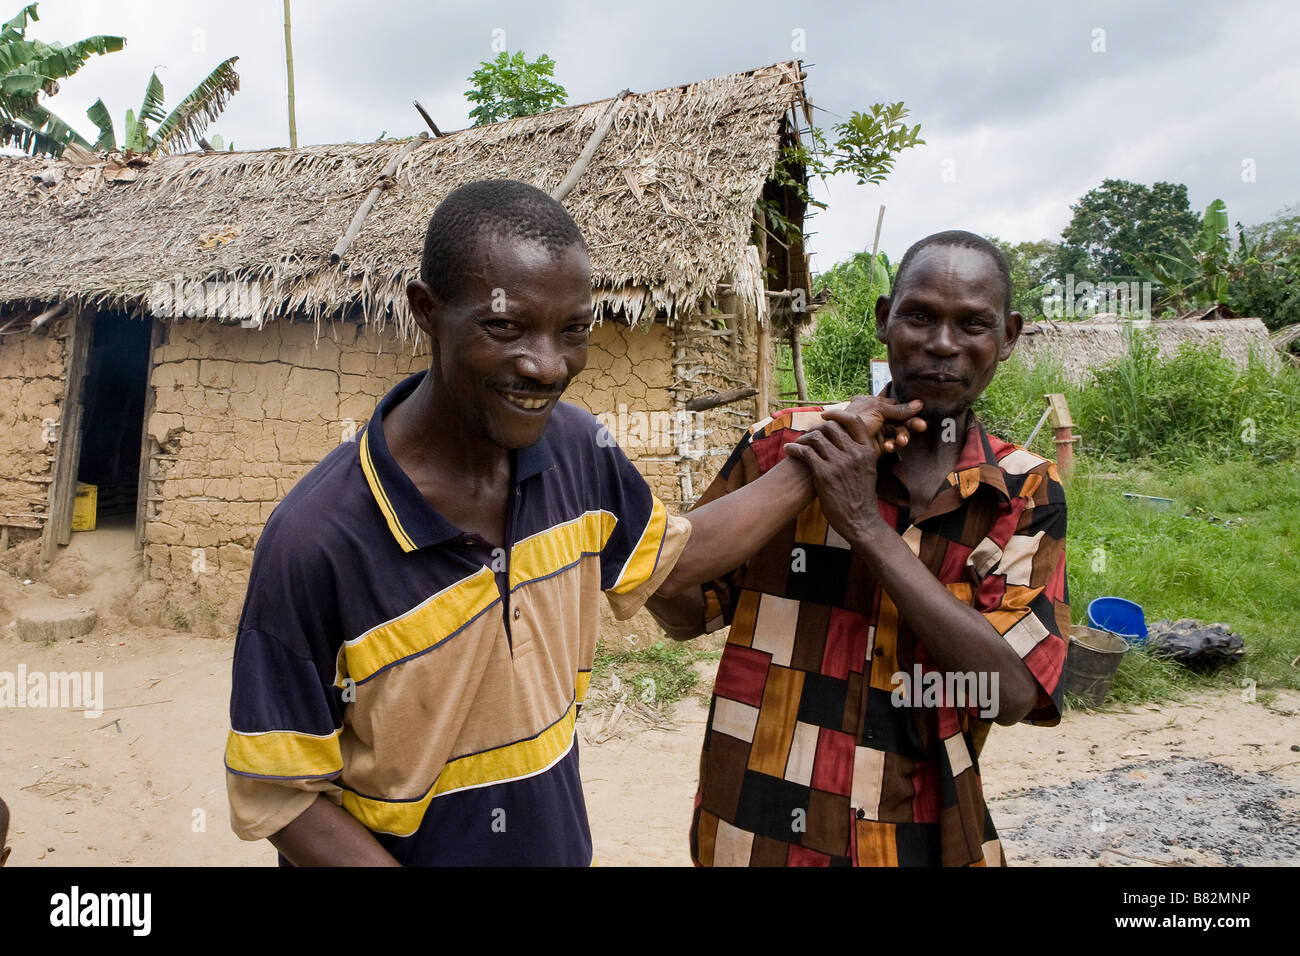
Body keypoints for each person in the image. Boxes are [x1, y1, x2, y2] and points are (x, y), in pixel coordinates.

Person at [223, 179, 921, 866]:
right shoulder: (317, 540)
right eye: (505, 327)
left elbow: (677, 557)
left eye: (573, 331)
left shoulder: (576, 452)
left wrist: (811, 462)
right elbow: (282, 795)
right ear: (426, 312)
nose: (548, 366)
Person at [647, 231, 1070, 866]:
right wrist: (791, 485)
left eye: (973, 324)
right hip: (757, 827)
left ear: (1008, 337)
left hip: (921, 830)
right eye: (919, 315)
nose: (943, 344)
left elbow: (1010, 693)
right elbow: (680, 607)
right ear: (883, 321)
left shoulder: (1023, 490)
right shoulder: (784, 448)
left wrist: (864, 526)